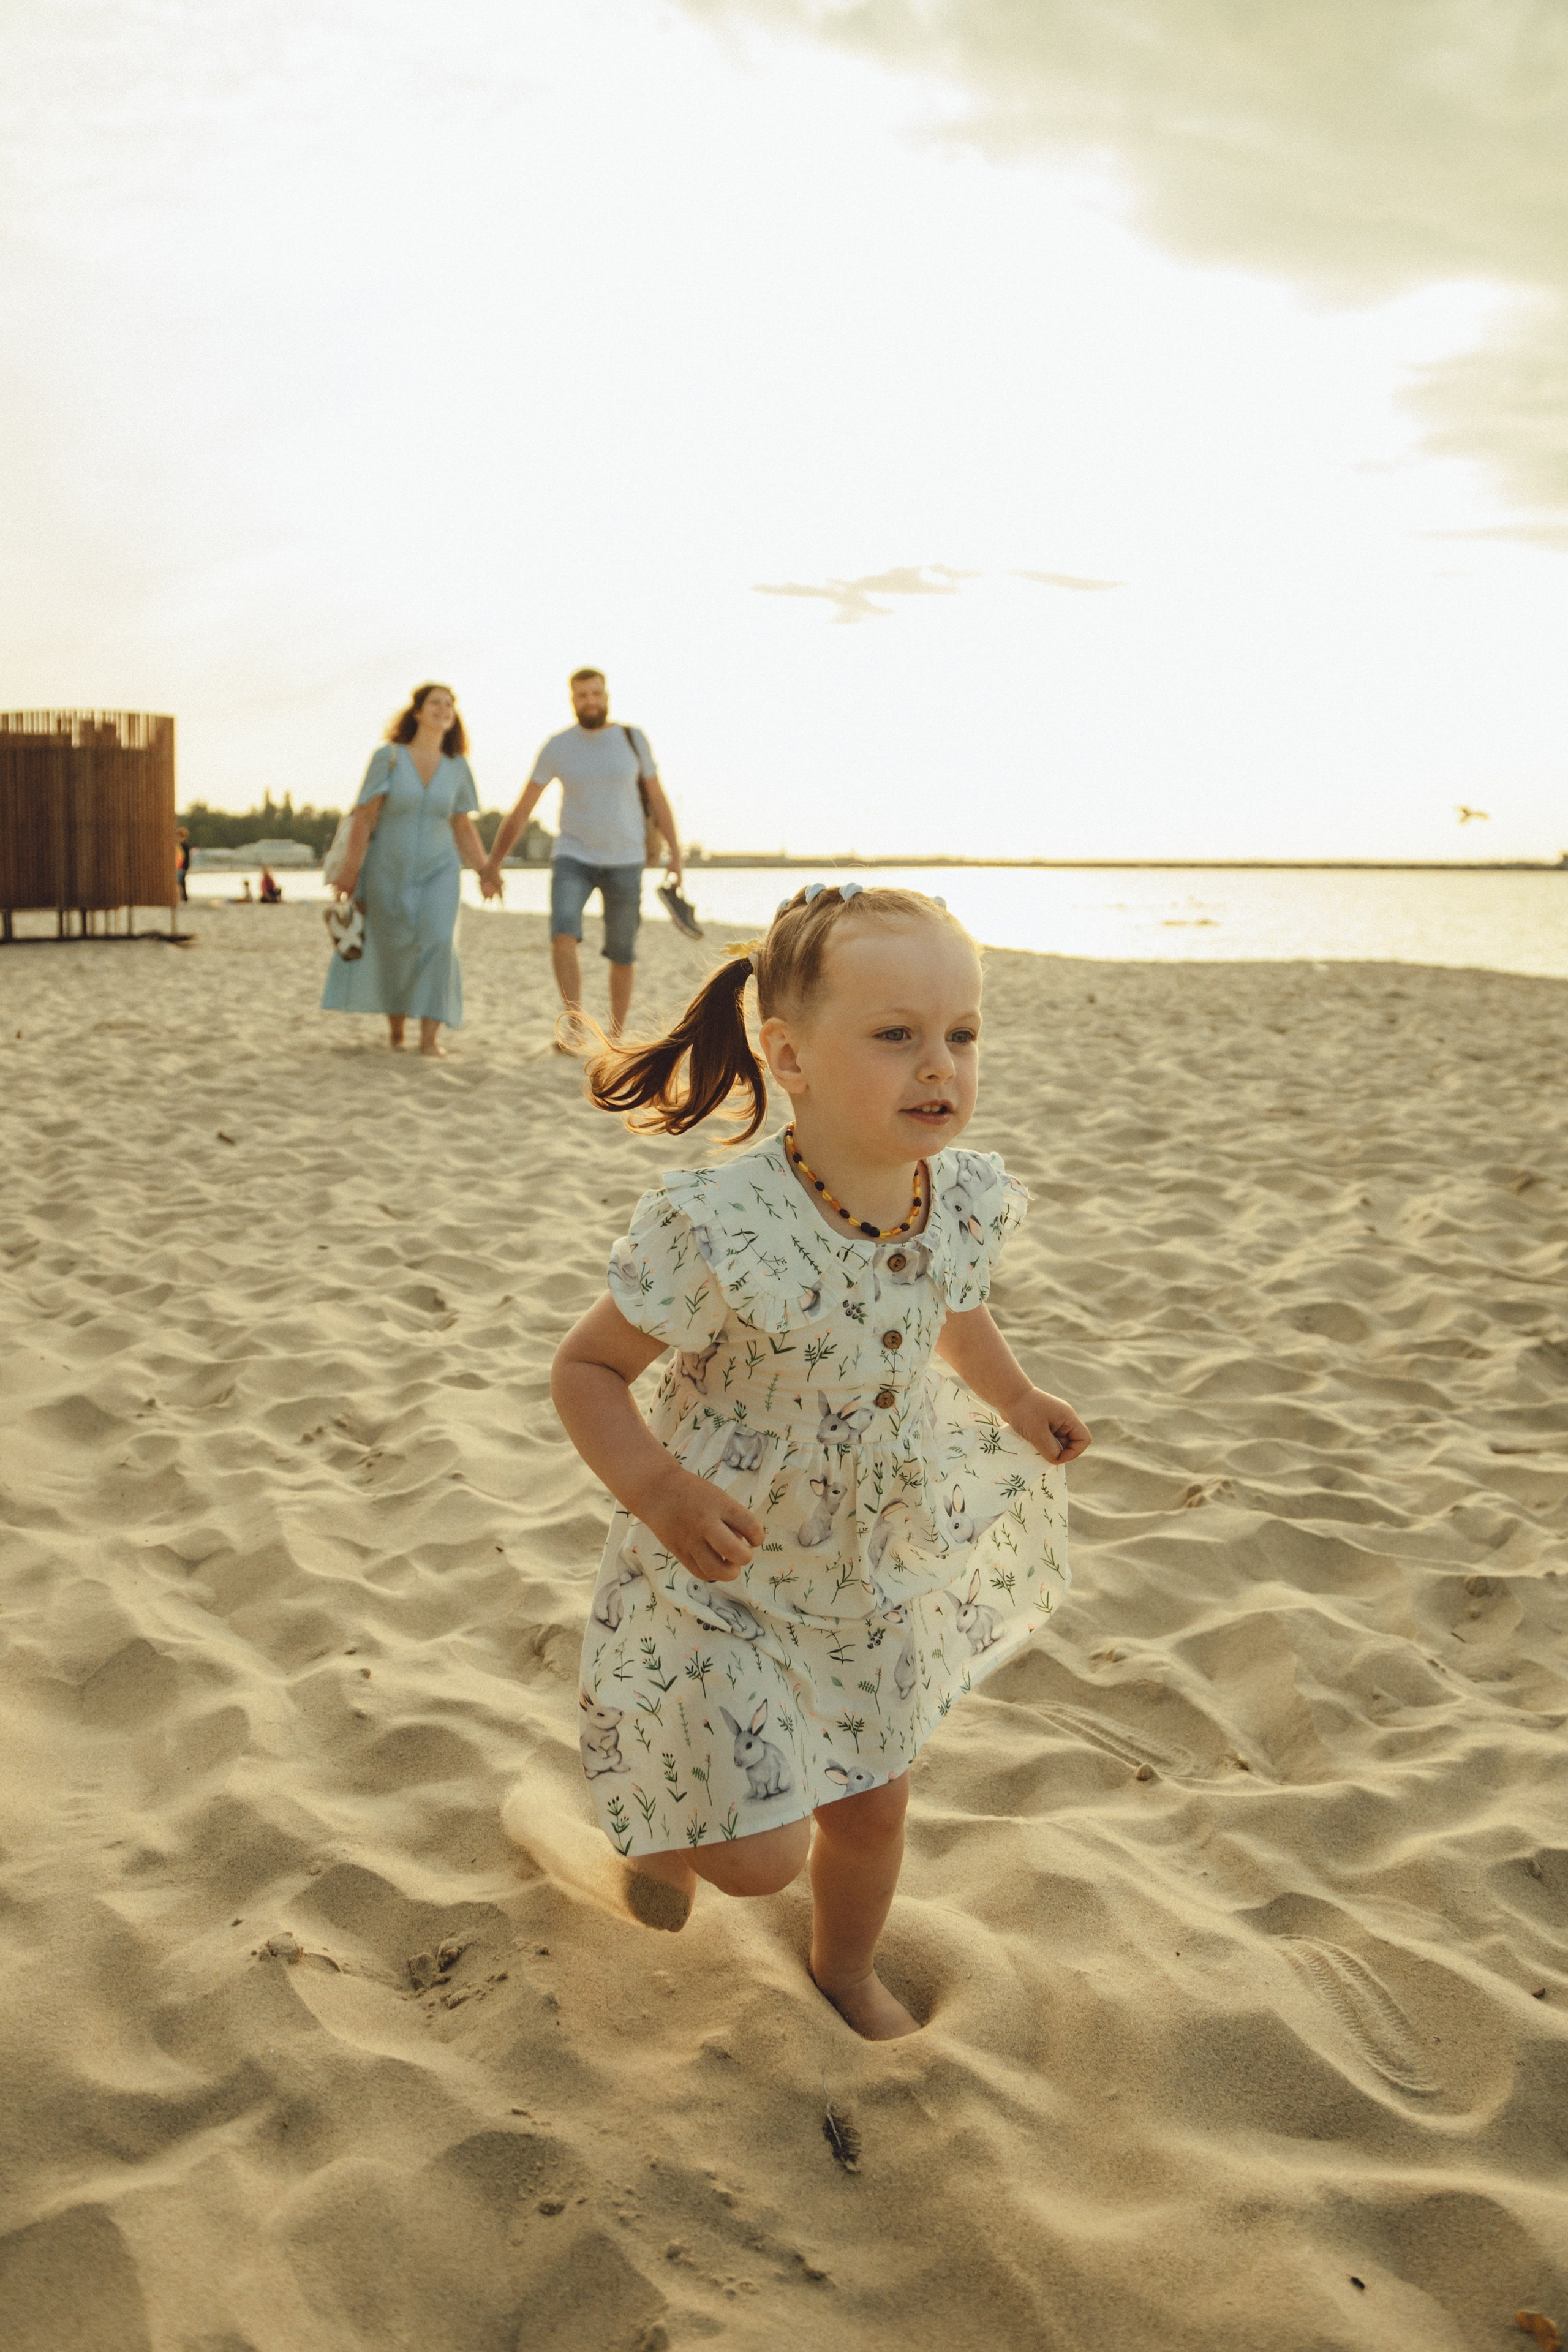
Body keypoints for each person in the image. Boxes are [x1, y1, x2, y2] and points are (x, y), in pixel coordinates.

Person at [548, 882, 1091, 2039]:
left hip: (870, 1562)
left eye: (961, 1035)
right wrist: (656, 1487)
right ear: (788, 1056)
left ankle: (844, 1969)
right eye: (895, 1036)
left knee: (873, 1803)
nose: (937, 1065)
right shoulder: (721, 1225)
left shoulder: (953, 1202)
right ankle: (675, 1830)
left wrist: (1016, 1396)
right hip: (724, 1560)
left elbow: (951, 1309)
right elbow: (586, 1371)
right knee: (756, 1857)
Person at [483, 668, 683, 1040]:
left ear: (607, 696)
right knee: (562, 932)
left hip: (626, 859)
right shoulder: (558, 746)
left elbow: (657, 797)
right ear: (572, 700)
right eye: (581, 696)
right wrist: (492, 864)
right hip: (573, 856)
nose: (590, 701)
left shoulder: (633, 739)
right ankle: (575, 1026)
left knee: (622, 952)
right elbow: (523, 808)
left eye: (596, 694)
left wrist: (676, 854)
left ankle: (616, 1036)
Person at [322, 682, 497, 1057]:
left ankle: (430, 1039)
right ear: (417, 712)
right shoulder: (389, 757)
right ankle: (398, 1031)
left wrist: (485, 871)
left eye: (450, 704)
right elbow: (364, 817)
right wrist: (350, 871)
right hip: (387, 868)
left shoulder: (457, 766)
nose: (444, 709)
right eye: (435, 702)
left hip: (440, 870)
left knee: (438, 943)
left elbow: (462, 825)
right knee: (394, 949)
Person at [175, 827, 190, 902]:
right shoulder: (181, 845)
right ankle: (183, 897)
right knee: (180, 882)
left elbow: (183, 857)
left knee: (180, 882)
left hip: (181, 867)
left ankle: (183, 898)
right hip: (181, 866)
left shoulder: (183, 845)